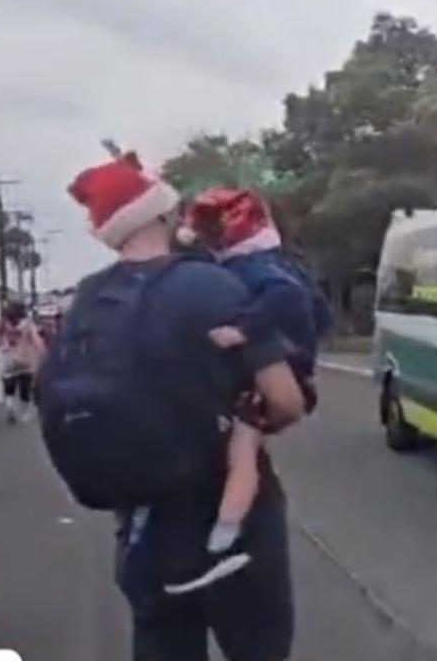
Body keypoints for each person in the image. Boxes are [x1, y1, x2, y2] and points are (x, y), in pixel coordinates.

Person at [50, 154, 306, 660]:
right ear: (162, 213)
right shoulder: (211, 286)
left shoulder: (88, 299)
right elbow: (286, 400)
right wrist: (251, 425)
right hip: (229, 520)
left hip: (143, 520)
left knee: (162, 642)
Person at [172, 187, 326, 591]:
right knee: (243, 449)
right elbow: (316, 308)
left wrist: (244, 330)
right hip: (296, 366)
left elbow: (287, 297)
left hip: (288, 369)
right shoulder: (275, 262)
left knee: (242, 450)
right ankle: (225, 533)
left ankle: (224, 539)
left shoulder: (255, 268)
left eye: (210, 234)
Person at [0, 300, 45, 424]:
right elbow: (37, 341)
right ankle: (24, 412)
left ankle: (10, 409)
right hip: (26, 361)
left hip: (9, 359)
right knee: (24, 388)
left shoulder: (3, 324)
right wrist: (43, 353)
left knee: (9, 387)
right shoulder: (28, 325)